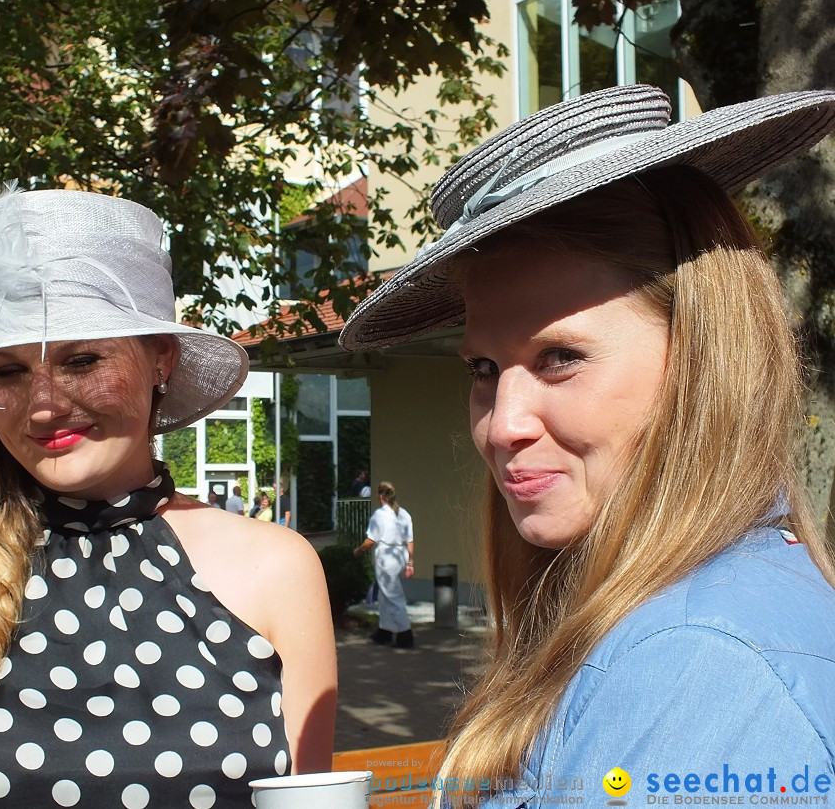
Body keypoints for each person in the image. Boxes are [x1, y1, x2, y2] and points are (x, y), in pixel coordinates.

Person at [339, 85, 835, 801]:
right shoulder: (715, 611)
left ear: (703, 356)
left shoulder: (692, 667)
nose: (502, 424)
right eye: (484, 368)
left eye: (560, 357)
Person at [0, 188, 337, 808]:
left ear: (161, 360)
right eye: (7, 370)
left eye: (82, 360)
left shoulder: (275, 567)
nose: (45, 405)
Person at [353, 482, 414, 649]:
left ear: (381, 496)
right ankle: (384, 631)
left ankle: (405, 634)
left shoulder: (379, 515)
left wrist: (358, 551)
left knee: (392, 595)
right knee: (385, 595)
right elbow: (410, 541)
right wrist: (410, 562)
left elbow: (371, 539)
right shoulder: (404, 514)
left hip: (387, 556)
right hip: (400, 554)